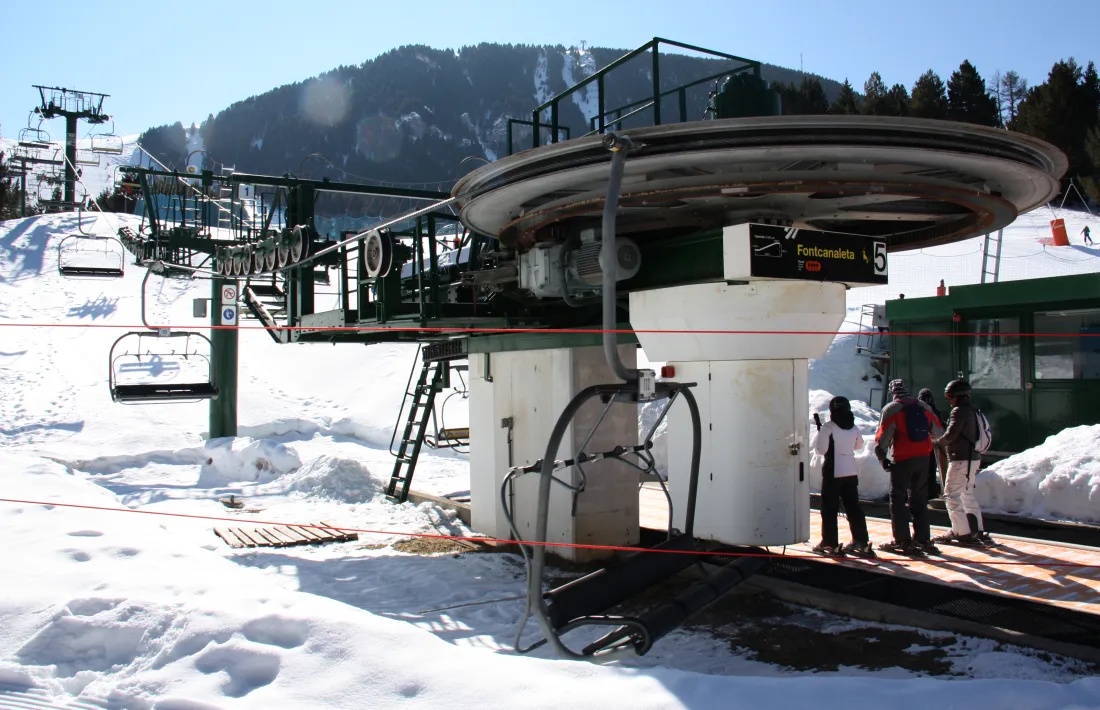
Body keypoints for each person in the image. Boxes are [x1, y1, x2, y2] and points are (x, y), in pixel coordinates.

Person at [874, 379, 944, 555]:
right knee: (919, 498)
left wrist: (882, 457)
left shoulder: (891, 409)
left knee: (897, 499)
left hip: (903, 459)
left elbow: (883, 437)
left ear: (893, 392)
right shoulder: (923, 406)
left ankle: (902, 541)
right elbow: (938, 432)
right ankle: (923, 539)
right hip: (923, 458)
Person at [932, 379, 993, 547]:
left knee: (951, 495)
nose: (948, 400)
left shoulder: (958, 411)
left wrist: (936, 442)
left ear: (956, 396)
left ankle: (961, 532)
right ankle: (976, 529)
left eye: (949, 396)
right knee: (966, 493)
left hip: (960, 459)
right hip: (973, 459)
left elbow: (951, 434)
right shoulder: (973, 410)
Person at [812, 396, 873, 557]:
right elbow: (859, 446)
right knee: (853, 507)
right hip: (851, 471)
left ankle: (830, 543)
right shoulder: (853, 427)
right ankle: (861, 541)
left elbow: (820, 450)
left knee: (829, 508)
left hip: (833, 470)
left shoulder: (828, 427)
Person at [918, 388, 946, 500]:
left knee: (920, 470)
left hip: (919, 444)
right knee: (932, 469)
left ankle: (920, 492)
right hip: (933, 444)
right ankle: (931, 491)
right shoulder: (935, 412)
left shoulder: (917, 411)